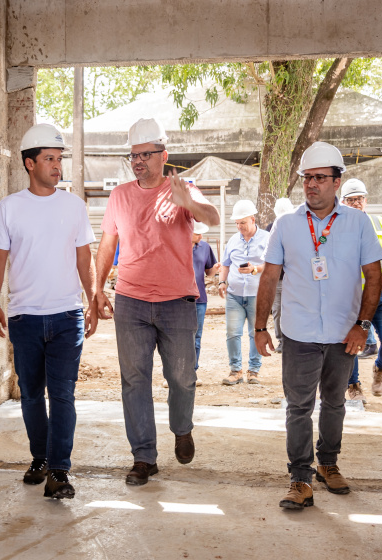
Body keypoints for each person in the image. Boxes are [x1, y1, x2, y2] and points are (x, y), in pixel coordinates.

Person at [254, 141, 382, 510]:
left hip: (344, 332)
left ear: (337, 182)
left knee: (335, 403)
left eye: (320, 178)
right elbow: (269, 278)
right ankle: (299, 478)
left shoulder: (359, 223)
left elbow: (373, 276)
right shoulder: (286, 224)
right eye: (307, 178)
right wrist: (260, 327)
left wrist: (363, 324)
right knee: (298, 407)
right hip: (299, 332)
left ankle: (328, 463)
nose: (311, 185)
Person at [93, 117, 220, 485]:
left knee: (182, 377)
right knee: (134, 380)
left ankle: (181, 428)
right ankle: (144, 457)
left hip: (177, 302)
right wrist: (97, 290)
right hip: (131, 300)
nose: (138, 161)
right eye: (133, 155)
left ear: (163, 155)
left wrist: (188, 204)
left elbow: (211, 218)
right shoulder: (119, 196)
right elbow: (108, 245)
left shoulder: (183, 187)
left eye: (145, 154)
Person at [0, 123, 97, 500]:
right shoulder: (10, 207)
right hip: (24, 317)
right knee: (32, 394)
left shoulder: (74, 206)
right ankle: (40, 458)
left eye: (59, 158)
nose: (57, 165)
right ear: (30, 164)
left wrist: (94, 297)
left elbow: (85, 258)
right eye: (49, 159)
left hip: (67, 316)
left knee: (63, 395)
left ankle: (59, 472)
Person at [339, 179, 382, 402]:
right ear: (343, 202)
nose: (356, 203)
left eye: (359, 199)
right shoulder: (336, 228)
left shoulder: (379, 223)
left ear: (366, 200)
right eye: (351, 200)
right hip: (353, 300)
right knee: (352, 342)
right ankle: (353, 384)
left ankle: (380, 368)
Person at [218, 199, 270, 385]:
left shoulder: (266, 238)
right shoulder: (233, 240)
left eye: (243, 222)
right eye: (237, 223)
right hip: (234, 294)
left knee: (256, 332)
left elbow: (273, 265)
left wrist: (255, 269)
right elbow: (225, 264)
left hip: (257, 294)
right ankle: (236, 370)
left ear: (252, 219)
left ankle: (254, 371)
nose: (239, 226)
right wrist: (222, 282)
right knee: (232, 333)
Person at [267, 197, 295, 354]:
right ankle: (281, 340)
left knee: (293, 310)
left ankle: (293, 340)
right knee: (277, 310)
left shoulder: (298, 228)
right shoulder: (270, 228)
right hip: (277, 279)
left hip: (293, 278)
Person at [191, 222, 219, 376]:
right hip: (178, 300)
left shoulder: (205, 247)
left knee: (197, 336)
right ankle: (174, 373)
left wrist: (216, 269)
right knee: (177, 337)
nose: (201, 236)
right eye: (197, 233)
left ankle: (192, 371)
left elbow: (209, 272)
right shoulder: (176, 247)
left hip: (200, 299)